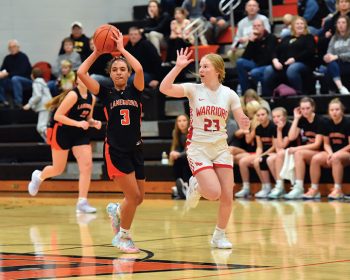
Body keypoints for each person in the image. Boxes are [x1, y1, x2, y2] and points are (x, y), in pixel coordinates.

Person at [160, 48, 250, 249]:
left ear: (217, 70)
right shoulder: (193, 89)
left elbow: (242, 121)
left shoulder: (229, 94)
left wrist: (245, 123)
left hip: (220, 147)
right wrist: (177, 67)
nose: (201, 69)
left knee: (227, 194)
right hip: (198, 147)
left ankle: (219, 236)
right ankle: (196, 185)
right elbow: (164, 89)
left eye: (205, 66)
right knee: (213, 193)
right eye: (200, 66)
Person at [77, 29, 145, 254]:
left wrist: (123, 50)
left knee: (139, 199)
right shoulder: (105, 93)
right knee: (133, 197)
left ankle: (117, 211)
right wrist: (97, 52)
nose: (119, 72)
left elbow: (140, 68)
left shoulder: (136, 90)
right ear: (110, 73)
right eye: (115, 69)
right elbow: (81, 72)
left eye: (122, 69)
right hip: (116, 151)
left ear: (127, 73)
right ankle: (123, 237)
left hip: (136, 150)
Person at [27, 76, 102, 214]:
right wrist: (78, 123)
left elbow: (87, 118)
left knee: (87, 166)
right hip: (62, 132)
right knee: (58, 169)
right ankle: (39, 176)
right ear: (77, 81)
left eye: (88, 75)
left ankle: (82, 201)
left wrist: (94, 122)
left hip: (80, 134)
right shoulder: (73, 95)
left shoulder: (92, 98)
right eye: (82, 76)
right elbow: (58, 116)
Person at [304, 98, 350, 200]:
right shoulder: (326, 124)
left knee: (336, 157)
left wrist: (336, 153)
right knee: (316, 158)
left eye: (337, 109)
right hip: (332, 152)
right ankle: (314, 189)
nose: (334, 112)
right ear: (329, 112)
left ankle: (338, 190)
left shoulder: (348, 122)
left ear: (342, 110)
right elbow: (326, 144)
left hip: (346, 153)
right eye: (332, 110)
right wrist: (330, 153)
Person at [263, 16, 316, 96]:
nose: (299, 25)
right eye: (297, 24)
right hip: (283, 65)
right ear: (293, 26)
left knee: (293, 69)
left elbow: (310, 51)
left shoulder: (308, 37)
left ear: (305, 26)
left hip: (302, 64)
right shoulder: (286, 38)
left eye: (302, 24)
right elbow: (275, 50)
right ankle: (268, 96)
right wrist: (275, 60)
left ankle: (298, 94)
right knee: (268, 70)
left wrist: (295, 59)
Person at [284, 97, 324, 199]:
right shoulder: (301, 120)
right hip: (307, 152)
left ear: (313, 108)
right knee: (290, 153)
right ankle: (293, 187)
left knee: (298, 153)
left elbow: (317, 144)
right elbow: (291, 137)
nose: (305, 111)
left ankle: (299, 187)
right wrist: (296, 118)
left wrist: (298, 149)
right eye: (303, 108)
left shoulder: (320, 120)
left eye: (307, 108)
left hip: (320, 152)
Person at [267, 107, 300, 199]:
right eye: (274, 117)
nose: (276, 119)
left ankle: (284, 186)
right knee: (269, 159)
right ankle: (279, 185)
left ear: (285, 117)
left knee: (279, 154)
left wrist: (279, 130)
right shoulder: (275, 127)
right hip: (283, 153)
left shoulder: (290, 126)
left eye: (278, 116)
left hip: (294, 151)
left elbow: (282, 145)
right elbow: (277, 146)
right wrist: (278, 130)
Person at [236, 19, 277, 93]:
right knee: (240, 62)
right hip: (256, 65)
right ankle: (246, 93)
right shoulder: (253, 39)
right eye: (254, 26)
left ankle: (266, 93)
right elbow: (245, 57)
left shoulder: (271, 37)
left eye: (259, 26)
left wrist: (253, 70)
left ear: (263, 27)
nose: (256, 27)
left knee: (254, 72)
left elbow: (269, 57)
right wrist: (251, 42)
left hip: (269, 65)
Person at [227, 0, 271, 66]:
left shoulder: (263, 19)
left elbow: (267, 33)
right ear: (246, 8)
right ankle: (239, 69)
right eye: (249, 6)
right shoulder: (241, 22)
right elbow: (237, 37)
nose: (251, 8)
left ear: (258, 8)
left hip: (258, 46)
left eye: (254, 6)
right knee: (230, 53)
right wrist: (234, 46)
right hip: (244, 48)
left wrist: (248, 38)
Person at [0, 39, 32, 108]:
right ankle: (3, 101)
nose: (12, 49)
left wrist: (8, 74)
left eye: (14, 46)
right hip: (11, 81)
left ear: (18, 47)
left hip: (25, 81)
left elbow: (21, 72)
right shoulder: (7, 58)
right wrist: (1, 73)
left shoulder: (23, 57)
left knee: (15, 79)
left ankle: (18, 102)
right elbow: (3, 69)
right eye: (10, 47)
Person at [23, 68, 52, 141]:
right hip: (49, 106)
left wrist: (29, 104)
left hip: (44, 107)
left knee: (41, 127)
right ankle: (49, 141)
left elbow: (37, 95)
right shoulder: (43, 83)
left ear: (33, 75)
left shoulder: (36, 83)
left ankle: (52, 140)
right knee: (46, 125)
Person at [323, 15, 350, 94]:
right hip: (337, 64)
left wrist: (337, 56)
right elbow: (329, 51)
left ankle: (332, 91)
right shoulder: (334, 37)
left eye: (343, 23)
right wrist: (327, 57)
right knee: (331, 65)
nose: (340, 25)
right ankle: (340, 88)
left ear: (348, 24)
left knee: (329, 69)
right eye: (338, 23)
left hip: (348, 63)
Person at [169, 114, 192, 199]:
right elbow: (177, 147)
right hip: (184, 156)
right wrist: (173, 153)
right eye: (179, 121)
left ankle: (186, 185)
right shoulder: (175, 133)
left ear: (188, 122)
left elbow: (191, 149)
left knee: (185, 159)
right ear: (177, 123)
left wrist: (179, 154)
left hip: (194, 156)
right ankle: (179, 185)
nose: (182, 123)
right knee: (177, 159)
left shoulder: (192, 132)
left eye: (184, 120)